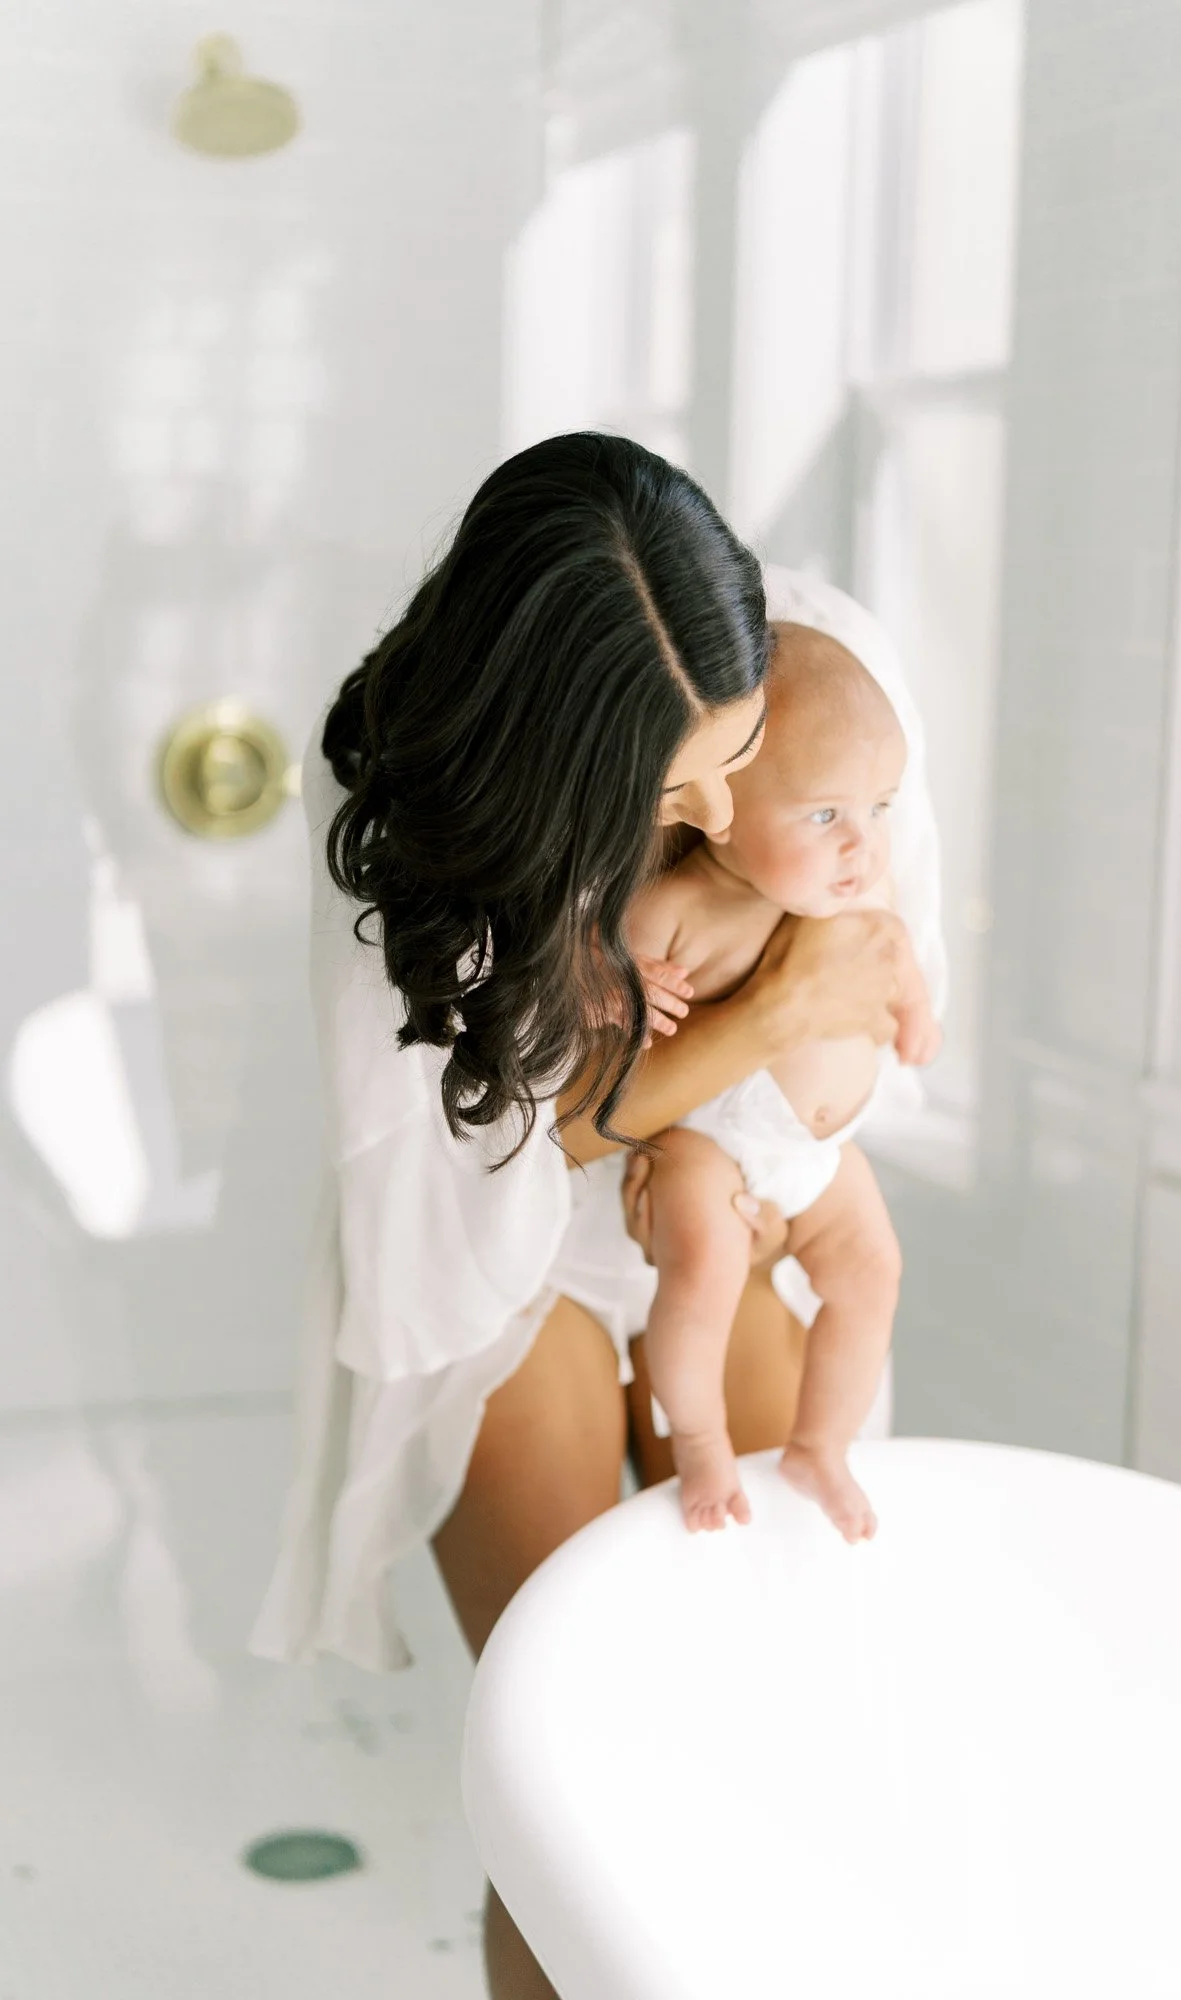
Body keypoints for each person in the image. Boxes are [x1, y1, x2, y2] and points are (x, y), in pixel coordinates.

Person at [248, 433, 941, 2000]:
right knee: (572, 1789)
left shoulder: (829, 683)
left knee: (772, 1731)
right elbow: (509, 1149)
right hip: (501, 1250)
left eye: (740, 758)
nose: (721, 810)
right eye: (674, 790)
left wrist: (736, 1063)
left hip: (734, 1198)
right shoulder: (406, 811)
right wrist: (765, 1011)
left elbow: (859, 1043)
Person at [627, 622, 942, 1542]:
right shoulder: (679, 906)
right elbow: (593, 990)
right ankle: (699, 1441)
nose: (862, 845)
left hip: (816, 1153)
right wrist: (622, 989)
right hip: (712, 1142)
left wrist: (914, 1010)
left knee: (872, 1274)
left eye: (878, 808)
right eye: (825, 815)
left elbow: (892, 948)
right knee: (703, 1278)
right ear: (719, 802)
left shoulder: (854, 892)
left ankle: (821, 1445)